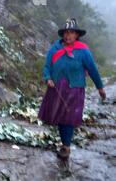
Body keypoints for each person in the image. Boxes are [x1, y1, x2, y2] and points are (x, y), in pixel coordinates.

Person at [38, 18, 107, 160]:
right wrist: (48, 78)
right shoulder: (55, 48)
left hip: (74, 89)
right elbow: (47, 66)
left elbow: (92, 70)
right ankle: (64, 142)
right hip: (56, 89)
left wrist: (100, 87)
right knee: (59, 117)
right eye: (66, 32)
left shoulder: (83, 51)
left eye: (71, 32)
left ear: (77, 35)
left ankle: (66, 147)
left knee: (68, 118)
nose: (68, 35)